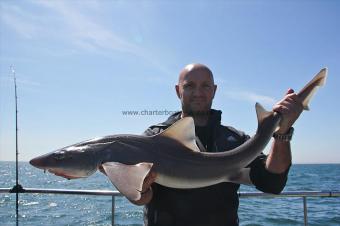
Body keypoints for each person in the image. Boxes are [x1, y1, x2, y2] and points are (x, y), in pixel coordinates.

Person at [131, 63, 303, 226]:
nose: (198, 92)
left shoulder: (236, 140)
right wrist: (141, 189)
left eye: (205, 86)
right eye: (189, 85)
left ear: (214, 91)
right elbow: (140, 198)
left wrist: (282, 133)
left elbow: (272, 182)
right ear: (178, 91)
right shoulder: (154, 138)